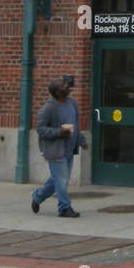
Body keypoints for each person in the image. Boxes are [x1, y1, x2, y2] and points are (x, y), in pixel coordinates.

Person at [31, 78, 81, 218]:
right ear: (57, 92)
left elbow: (76, 124)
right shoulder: (49, 108)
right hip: (55, 150)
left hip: (69, 149)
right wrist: (59, 132)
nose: (68, 86)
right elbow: (40, 129)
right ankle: (64, 208)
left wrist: (81, 140)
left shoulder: (72, 103)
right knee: (62, 181)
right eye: (64, 86)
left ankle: (38, 196)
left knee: (57, 180)